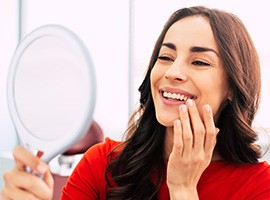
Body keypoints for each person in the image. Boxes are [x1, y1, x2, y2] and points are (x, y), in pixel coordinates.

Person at [1, 5, 270, 200]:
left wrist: (184, 190)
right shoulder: (102, 164)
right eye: (165, 57)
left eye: (199, 62)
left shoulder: (260, 186)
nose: (172, 72)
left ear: (233, 88)